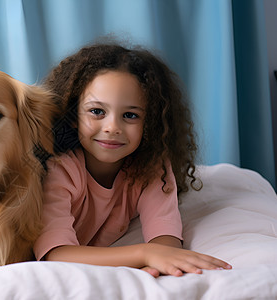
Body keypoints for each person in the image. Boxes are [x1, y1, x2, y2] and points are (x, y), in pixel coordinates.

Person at [33, 42, 232, 277]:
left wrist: (157, 256)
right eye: (97, 111)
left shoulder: (151, 167)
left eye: (130, 115)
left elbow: (166, 243)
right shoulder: (60, 168)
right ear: (73, 114)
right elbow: (57, 255)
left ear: (149, 124)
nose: (112, 127)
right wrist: (144, 255)